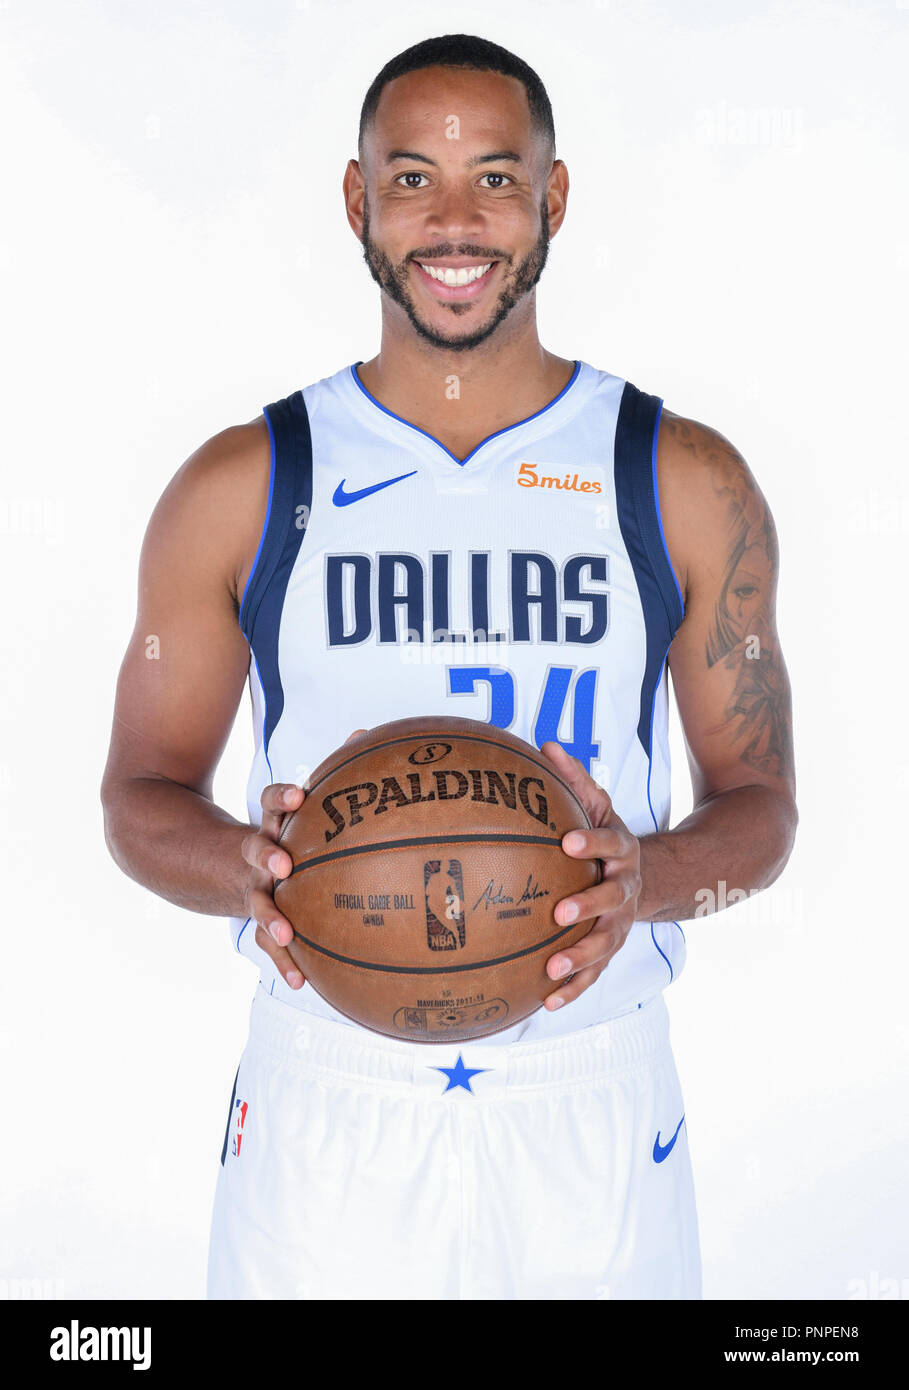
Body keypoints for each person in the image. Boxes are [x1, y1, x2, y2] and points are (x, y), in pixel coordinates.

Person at [100, 33, 797, 1300]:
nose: (456, 221)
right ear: (359, 200)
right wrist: (251, 871)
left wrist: (642, 882)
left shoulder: (679, 476)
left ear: (557, 197)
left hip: (593, 1087)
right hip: (328, 1092)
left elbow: (763, 811)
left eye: (497, 178)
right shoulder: (246, 485)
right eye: (413, 179)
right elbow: (136, 799)